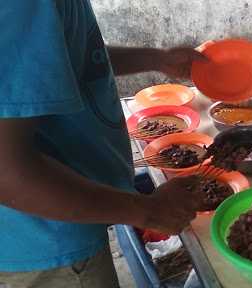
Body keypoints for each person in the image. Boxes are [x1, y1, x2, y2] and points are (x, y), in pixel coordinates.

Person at [0, 1, 207, 287]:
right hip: (46, 244)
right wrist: (148, 212)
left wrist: (157, 59)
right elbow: (6, 171)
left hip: (64, 222)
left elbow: (68, 55)